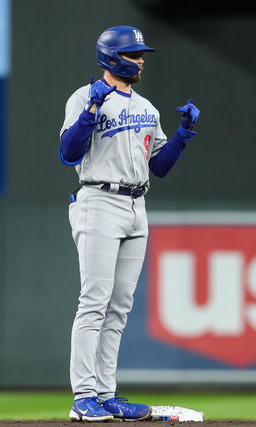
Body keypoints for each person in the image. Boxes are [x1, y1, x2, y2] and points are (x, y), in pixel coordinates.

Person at [59, 25, 200, 422]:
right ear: (112, 57)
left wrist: (184, 136)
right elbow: (68, 154)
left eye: (141, 54)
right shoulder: (84, 98)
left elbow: (160, 166)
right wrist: (91, 112)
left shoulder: (148, 109)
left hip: (137, 204)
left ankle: (105, 393)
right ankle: (83, 397)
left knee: (119, 307)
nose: (140, 60)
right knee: (94, 302)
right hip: (99, 200)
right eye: (134, 54)